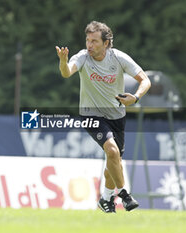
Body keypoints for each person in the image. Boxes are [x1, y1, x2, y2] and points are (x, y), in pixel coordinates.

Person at [55, 21, 151, 213]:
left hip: (116, 115)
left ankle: (106, 199)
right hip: (91, 114)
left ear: (106, 43)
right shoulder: (83, 57)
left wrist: (136, 97)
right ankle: (125, 194)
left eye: (94, 41)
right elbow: (66, 73)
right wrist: (63, 61)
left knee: (113, 160)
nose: (89, 45)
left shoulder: (119, 58)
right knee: (113, 152)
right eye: (87, 40)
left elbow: (145, 80)